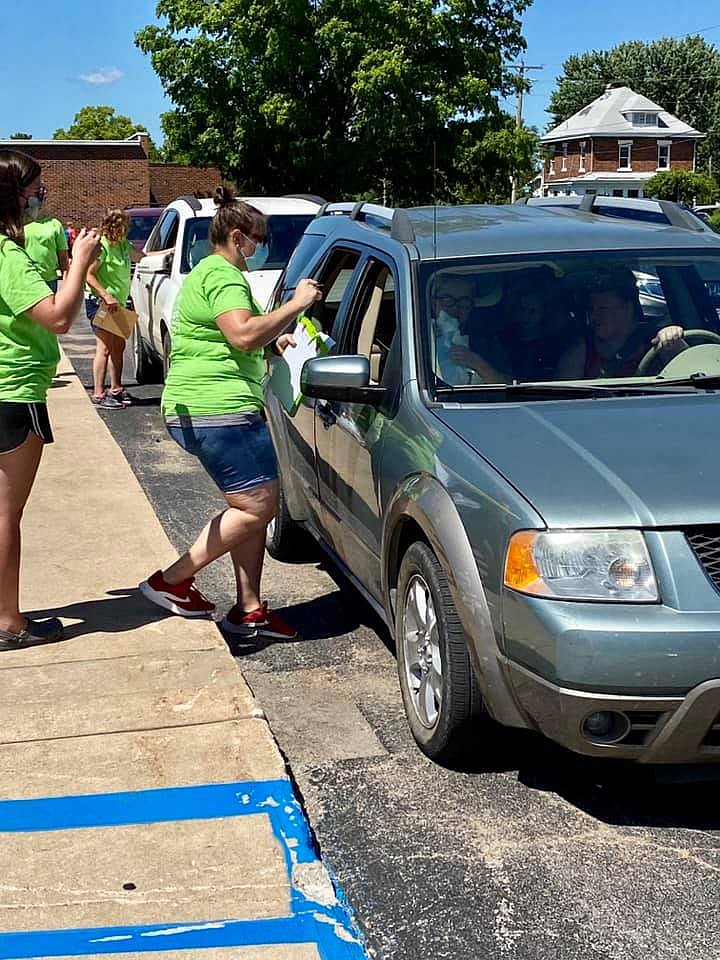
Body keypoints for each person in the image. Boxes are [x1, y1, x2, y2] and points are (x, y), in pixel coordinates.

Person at [139, 185, 322, 640]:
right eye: (258, 241)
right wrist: (296, 304)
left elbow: (241, 334)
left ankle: (250, 609)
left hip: (211, 406)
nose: (261, 249)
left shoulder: (210, 272)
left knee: (248, 508)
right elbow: (241, 335)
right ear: (238, 237)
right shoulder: (224, 276)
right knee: (260, 506)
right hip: (218, 409)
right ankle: (172, 581)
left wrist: (276, 335)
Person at [0, 149, 99, 649]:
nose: (41, 196)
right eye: (35, 188)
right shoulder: (6, 254)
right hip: (12, 392)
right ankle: (8, 621)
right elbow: (59, 317)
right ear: (12, 195)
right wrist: (79, 263)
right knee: (5, 514)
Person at [556, 268, 684, 379]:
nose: (594, 316)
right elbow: (561, 397)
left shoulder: (656, 341)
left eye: (602, 309)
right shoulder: (583, 350)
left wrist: (673, 340)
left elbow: (693, 376)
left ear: (627, 308)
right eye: (591, 310)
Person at [85, 209, 134, 409]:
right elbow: (88, 275)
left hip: (119, 304)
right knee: (104, 348)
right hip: (102, 303)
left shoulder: (123, 245)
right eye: (123, 227)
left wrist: (170, 251)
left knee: (119, 346)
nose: (126, 230)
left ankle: (116, 388)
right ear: (114, 227)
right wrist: (105, 295)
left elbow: (144, 255)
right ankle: (98, 394)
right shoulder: (101, 247)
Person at [430, 274, 507, 384]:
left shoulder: (485, 341)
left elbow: (510, 387)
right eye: (447, 300)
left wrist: (477, 363)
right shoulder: (415, 336)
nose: (455, 308)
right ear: (433, 303)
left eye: (464, 302)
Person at [23, 190, 69, 293]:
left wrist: (66, 281)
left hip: (49, 280)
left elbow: (63, 257)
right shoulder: (22, 223)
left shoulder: (55, 224)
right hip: (27, 278)